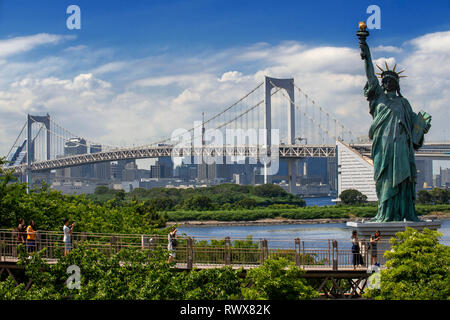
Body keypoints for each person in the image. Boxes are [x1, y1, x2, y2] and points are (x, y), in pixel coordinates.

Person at [359, 32, 431, 222]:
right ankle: (385, 212)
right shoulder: (378, 99)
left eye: (391, 81)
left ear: (396, 84)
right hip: (383, 147)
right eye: (385, 81)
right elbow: (369, 74)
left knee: (403, 179)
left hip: (401, 146)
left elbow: (415, 127)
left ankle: (403, 211)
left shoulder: (404, 103)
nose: (388, 83)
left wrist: (422, 128)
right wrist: (364, 47)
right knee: (383, 178)